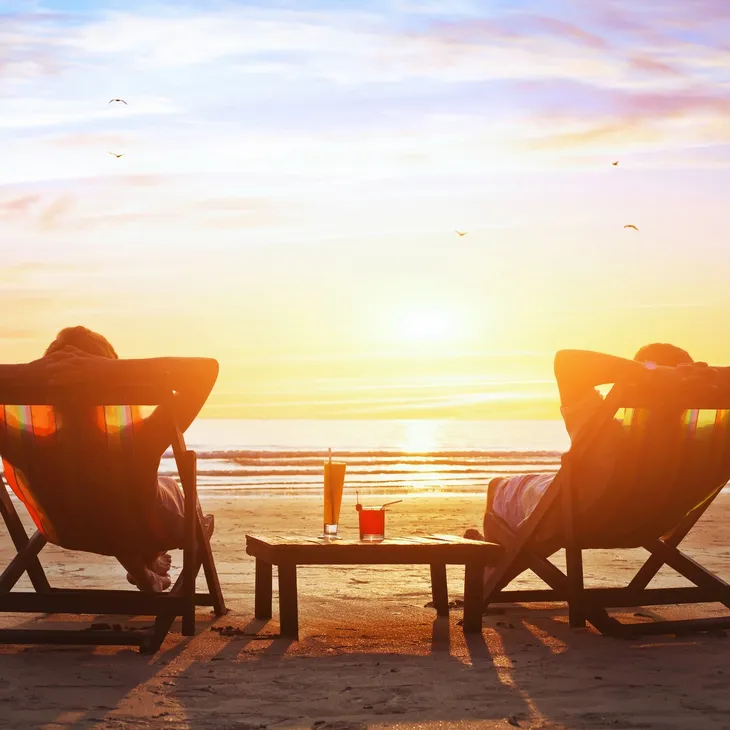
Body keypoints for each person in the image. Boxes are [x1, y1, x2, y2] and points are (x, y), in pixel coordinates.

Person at [0, 326, 219, 593]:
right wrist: (102, 370)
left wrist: (35, 372)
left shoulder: (24, 444)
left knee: (115, 502)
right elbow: (206, 370)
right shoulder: (137, 441)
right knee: (162, 488)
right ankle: (148, 559)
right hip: (144, 529)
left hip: (69, 531)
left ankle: (145, 571)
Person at [466, 344, 698, 579]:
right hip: (655, 520)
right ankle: (491, 556)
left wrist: (652, 372)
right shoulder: (703, 434)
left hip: (586, 515)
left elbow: (567, 361)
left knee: (498, 487)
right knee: (548, 494)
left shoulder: (605, 427)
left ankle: (490, 567)